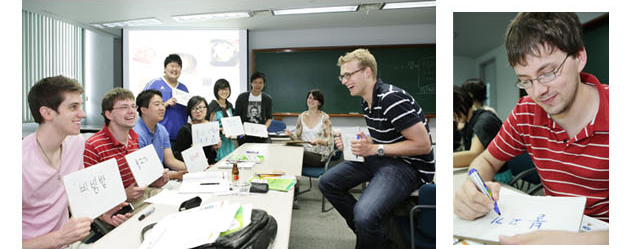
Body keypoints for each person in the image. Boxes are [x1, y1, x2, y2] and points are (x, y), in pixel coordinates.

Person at [453, 13, 608, 245]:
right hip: (551, 223)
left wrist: (569, 241)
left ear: (579, 57)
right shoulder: (526, 111)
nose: (538, 92)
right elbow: (485, 160)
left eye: (547, 73)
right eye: (526, 80)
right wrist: (473, 186)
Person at [318, 49, 434, 249]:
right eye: (342, 76)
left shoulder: (391, 98)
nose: (344, 81)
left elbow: (423, 145)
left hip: (408, 166)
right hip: (384, 159)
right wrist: (364, 141)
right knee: (327, 182)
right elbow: (388, 136)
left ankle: (369, 231)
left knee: (364, 214)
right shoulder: (367, 100)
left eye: (348, 75)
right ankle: (375, 235)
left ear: (367, 72)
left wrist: (373, 149)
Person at [23, 76, 129, 248]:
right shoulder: (20, 162)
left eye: (81, 106)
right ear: (47, 113)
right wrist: (58, 238)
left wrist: (100, 213)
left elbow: (75, 197)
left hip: (67, 242)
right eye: (73, 107)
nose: (83, 114)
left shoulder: (76, 142)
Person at [84, 88, 169, 213]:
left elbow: (139, 180)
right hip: (117, 209)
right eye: (124, 107)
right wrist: (122, 195)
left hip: (141, 198)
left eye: (133, 106)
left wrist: (156, 181)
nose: (132, 112)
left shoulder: (134, 139)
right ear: (109, 114)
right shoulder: (93, 146)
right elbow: (90, 197)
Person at [452, 86, 511, 182]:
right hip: (482, 172)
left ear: (461, 101)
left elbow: (474, 155)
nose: (453, 118)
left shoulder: (484, 121)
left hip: (497, 177)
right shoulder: (470, 121)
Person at [133, 89, 188, 180]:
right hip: (148, 182)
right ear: (143, 109)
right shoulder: (137, 134)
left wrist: (194, 168)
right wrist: (176, 175)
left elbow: (170, 160)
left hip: (162, 177)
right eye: (157, 104)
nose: (162, 108)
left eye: (162, 104)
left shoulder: (162, 130)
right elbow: (144, 173)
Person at [143, 54, 189, 146]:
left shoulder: (183, 88)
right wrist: (164, 104)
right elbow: (142, 105)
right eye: (172, 66)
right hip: (157, 136)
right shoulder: (154, 84)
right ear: (165, 68)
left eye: (178, 66)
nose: (175, 69)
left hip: (179, 137)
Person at [285, 89, 334, 168]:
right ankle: (293, 178)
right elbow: (297, 138)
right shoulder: (301, 116)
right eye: (310, 98)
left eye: (314, 99)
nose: (311, 100)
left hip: (319, 156)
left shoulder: (325, 118)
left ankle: (294, 178)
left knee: (297, 153)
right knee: (290, 150)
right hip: (304, 151)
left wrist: (319, 141)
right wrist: (291, 134)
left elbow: (330, 141)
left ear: (319, 103)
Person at [173, 96, 222, 165]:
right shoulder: (185, 130)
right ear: (190, 111)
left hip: (210, 165)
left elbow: (211, 152)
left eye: (201, 107)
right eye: (194, 108)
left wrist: (215, 147)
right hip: (192, 168)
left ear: (206, 109)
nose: (198, 111)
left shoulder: (211, 126)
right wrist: (191, 152)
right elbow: (177, 155)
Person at [234, 72, 272, 145]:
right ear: (251, 83)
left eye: (260, 83)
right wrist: (242, 128)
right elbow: (237, 116)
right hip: (245, 133)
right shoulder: (242, 97)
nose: (258, 85)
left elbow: (269, 118)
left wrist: (264, 129)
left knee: (266, 146)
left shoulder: (267, 99)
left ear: (264, 84)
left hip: (260, 133)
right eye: (255, 82)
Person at [206, 78, 235, 161]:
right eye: (221, 89)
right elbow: (208, 126)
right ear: (216, 91)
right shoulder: (212, 107)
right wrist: (222, 129)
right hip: (218, 143)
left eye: (226, 89)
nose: (224, 92)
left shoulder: (230, 106)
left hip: (229, 142)